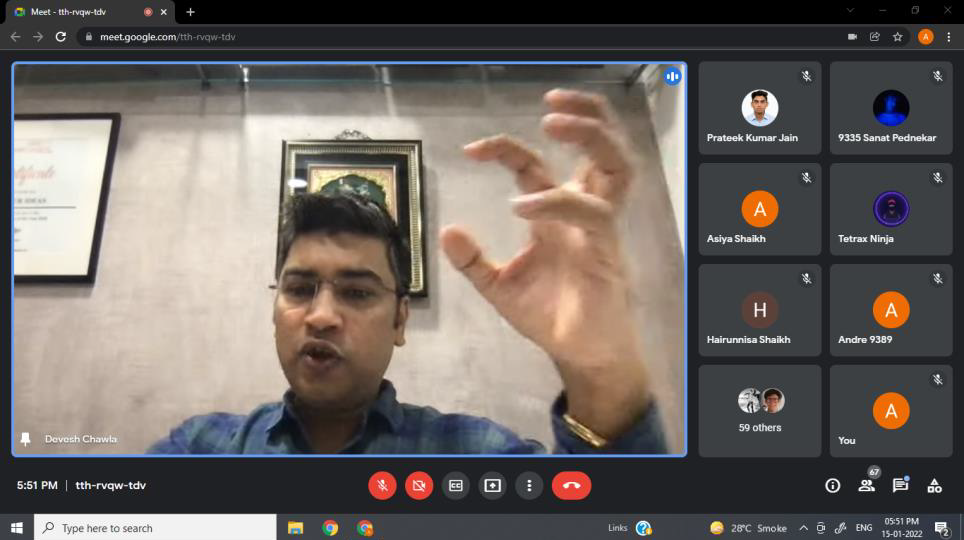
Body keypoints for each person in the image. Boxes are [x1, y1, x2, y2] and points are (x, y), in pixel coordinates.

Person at [148, 89, 668, 454]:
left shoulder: (473, 455)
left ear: (400, 320)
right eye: (300, 288)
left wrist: (601, 373)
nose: (321, 316)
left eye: (357, 292)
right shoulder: (201, 449)